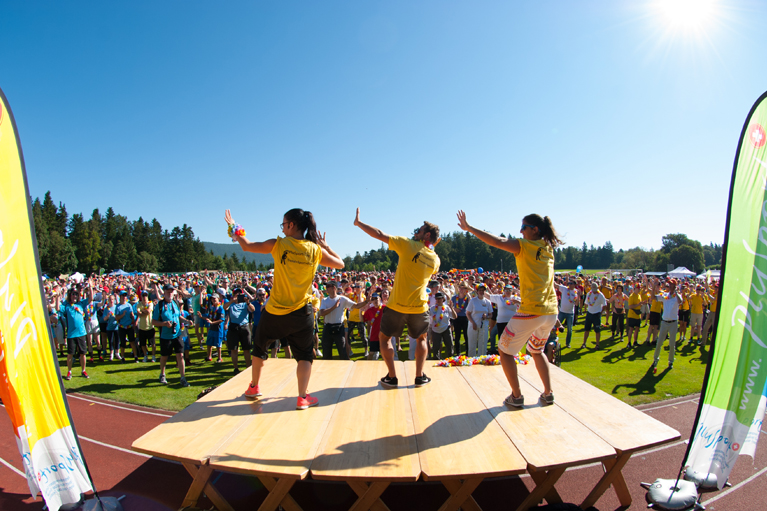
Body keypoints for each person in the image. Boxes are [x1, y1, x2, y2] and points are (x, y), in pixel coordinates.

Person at [227, 208, 344, 410]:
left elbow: (246, 246)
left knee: (259, 348)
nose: (282, 229)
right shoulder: (315, 250)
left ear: (291, 225)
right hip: (302, 313)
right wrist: (325, 246)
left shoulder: (278, 244)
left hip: (275, 312)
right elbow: (340, 264)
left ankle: (254, 387)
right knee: (305, 355)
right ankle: (302, 397)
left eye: (283, 224)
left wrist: (233, 226)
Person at [457, 210, 560, 407]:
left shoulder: (525, 246)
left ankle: (516, 396)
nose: (520, 231)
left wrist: (469, 228)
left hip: (532, 309)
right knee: (537, 351)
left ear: (535, 229)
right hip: (550, 312)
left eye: (523, 227)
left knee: (504, 351)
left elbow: (497, 242)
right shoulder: (548, 248)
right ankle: (548, 393)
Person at [354, 208, 440, 388]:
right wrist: (430, 246)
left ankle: (392, 377)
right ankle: (419, 376)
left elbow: (379, 234)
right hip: (419, 307)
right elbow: (427, 256)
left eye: (420, 229)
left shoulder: (407, 244)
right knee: (422, 339)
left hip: (397, 306)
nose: (416, 231)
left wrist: (359, 223)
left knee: (384, 339)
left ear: (427, 234)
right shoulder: (435, 260)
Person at [152, 283, 190, 387]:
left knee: (180, 355)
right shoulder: (159, 306)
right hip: (166, 336)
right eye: (168, 291)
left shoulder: (176, 303)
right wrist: (164, 324)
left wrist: (186, 320)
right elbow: (153, 322)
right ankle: (162, 374)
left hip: (177, 334)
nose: (170, 293)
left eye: (171, 291)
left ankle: (182, 377)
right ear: (164, 292)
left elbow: (178, 317)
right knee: (164, 356)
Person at [56, 281, 95, 379]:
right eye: (73, 294)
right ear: (70, 295)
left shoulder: (81, 304)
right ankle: (69, 372)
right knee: (70, 354)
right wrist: (57, 297)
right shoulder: (67, 306)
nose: (74, 296)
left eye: (76, 294)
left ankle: (83, 370)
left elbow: (91, 299)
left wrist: (90, 287)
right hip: (71, 334)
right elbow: (57, 308)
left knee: (83, 353)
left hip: (81, 333)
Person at [652, 279, 683, 372]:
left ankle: (670, 361)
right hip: (665, 322)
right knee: (659, 343)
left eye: (672, 285)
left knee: (672, 344)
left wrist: (676, 292)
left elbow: (680, 301)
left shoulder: (677, 296)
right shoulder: (665, 295)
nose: (670, 287)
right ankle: (655, 360)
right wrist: (654, 286)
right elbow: (653, 297)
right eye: (669, 285)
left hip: (673, 323)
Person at [224, 287, 255, 374]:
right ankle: (236, 368)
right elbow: (224, 307)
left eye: (239, 294)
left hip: (244, 327)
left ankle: (248, 366)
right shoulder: (231, 304)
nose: (238, 295)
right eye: (236, 294)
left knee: (247, 348)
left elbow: (253, 309)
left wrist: (248, 302)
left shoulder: (245, 304)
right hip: (233, 327)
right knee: (234, 349)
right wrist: (231, 301)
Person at [466, 283, 493, 356]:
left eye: (483, 290)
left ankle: (482, 360)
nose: (481, 292)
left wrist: (486, 316)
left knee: (483, 345)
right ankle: (471, 359)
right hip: (473, 325)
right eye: (480, 290)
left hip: (484, 326)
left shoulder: (488, 302)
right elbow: (468, 313)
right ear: (477, 291)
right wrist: (473, 323)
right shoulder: (473, 301)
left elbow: (491, 315)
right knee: (472, 344)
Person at [429, 291, 456, 359]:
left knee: (449, 345)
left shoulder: (447, 308)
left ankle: (450, 359)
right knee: (436, 347)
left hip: (446, 328)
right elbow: (427, 317)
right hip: (436, 330)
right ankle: (436, 360)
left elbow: (455, 317)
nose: (438, 300)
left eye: (439, 298)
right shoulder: (432, 308)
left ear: (443, 299)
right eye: (437, 299)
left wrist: (452, 308)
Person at [582, 283, 607, 349]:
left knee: (597, 330)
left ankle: (597, 344)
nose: (594, 290)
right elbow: (586, 303)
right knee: (587, 329)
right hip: (589, 313)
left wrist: (601, 312)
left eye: (595, 289)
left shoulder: (600, 295)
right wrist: (585, 310)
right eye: (593, 289)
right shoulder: (589, 294)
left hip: (597, 314)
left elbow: (604, 304)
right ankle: (584, 343)